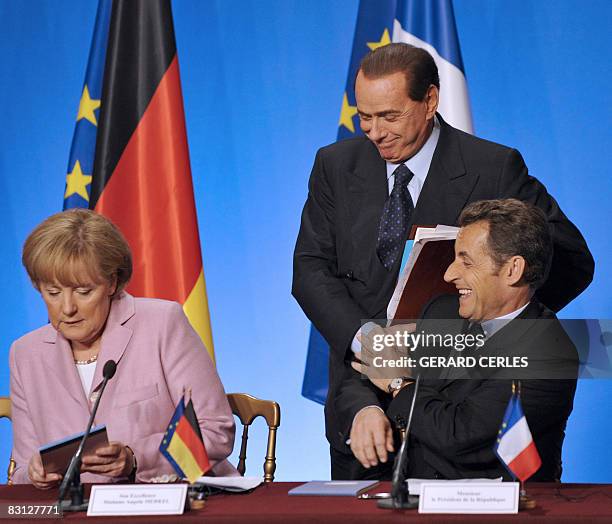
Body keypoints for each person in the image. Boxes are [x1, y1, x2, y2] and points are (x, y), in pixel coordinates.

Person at [292, 43, 593, 479]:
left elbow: (568, 261)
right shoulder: (335, 165)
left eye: (390, 116)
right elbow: (309, 270)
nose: (375, 132)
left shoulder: (492, 167)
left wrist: (480, 334)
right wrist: (366, 341)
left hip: (456, 405)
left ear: (430, 100)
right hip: (360, 403)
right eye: (365, 117)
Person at [341, 199, 578, 480]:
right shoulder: (442, 311)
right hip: (408, 500)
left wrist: (397, 384)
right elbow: (366, 359)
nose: (449, 274)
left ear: (513, 270)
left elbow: (461, 436)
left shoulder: (550, 352)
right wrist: (367, 408)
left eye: (465, 262)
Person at [10, 209, 236, 487]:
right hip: (76, 512)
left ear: (112, 283)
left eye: (83, 291)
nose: (67, 308)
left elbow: (215, 431)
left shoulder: (162, 323)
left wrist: (135, 457)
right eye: (53, 293)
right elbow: (21, 469)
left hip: (170, 501)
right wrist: (34, 473)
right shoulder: (25, 354)